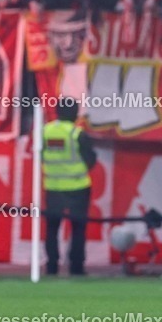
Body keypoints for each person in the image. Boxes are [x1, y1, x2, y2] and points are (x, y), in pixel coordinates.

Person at [42, 97, 97, 276]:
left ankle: (51, 266)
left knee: (52, 228)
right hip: (78, 187)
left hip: (53, 187)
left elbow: (39, 155)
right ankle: (76, 267)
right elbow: (91, 160)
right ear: (75, 114)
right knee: (78, 228)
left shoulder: (45, 132)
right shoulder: (77, 134)